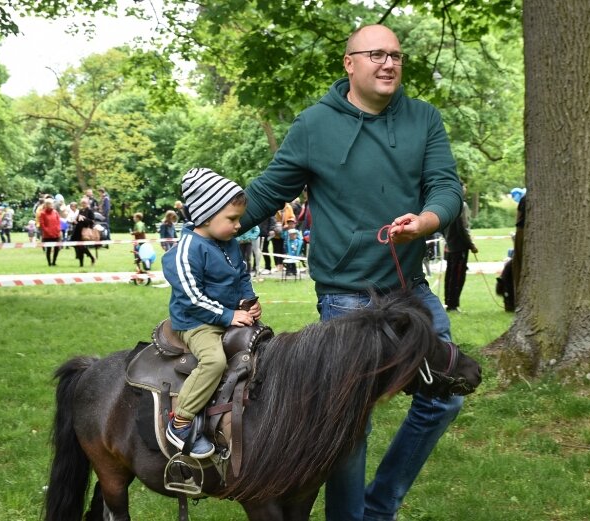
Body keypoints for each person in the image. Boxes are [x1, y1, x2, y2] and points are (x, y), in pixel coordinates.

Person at [239, 24, 464, 521]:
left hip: (410, 292)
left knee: (445, 396)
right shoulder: (315, 124)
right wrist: (212, 223)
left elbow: (446, 187)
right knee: (349, 422)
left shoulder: (423, 118)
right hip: (346, 297)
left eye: (397, 56)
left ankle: (378, 506)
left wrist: (425, 221)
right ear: (350, 63)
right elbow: (268, 192)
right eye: (376, 54)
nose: (389, 64)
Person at [162, 167, 261, 458]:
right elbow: (192, 298)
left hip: (230, 313)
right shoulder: (186, 251)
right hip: (197, 322)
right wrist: (228, 316)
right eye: (232, 218)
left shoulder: (228, 242)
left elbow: (241, 274)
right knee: (215, 361)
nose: (237, 225)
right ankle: (180, 422)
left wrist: (248, 300)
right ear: (206, 214)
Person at [443, 183, 478, 312]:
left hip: (450, 245)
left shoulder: (447, 204)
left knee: (450, 275)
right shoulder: (461, 205)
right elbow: (463, 228)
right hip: (459, 246)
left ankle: (449, 302)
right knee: (457, 276)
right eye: (463, 187)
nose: (465, 189)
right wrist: (471, 245)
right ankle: (453, 304)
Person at [70, 198, 96, 267]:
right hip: (77, 231)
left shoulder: (90, 211)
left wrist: (84, 218)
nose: (83, 204)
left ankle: (88, 259)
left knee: (81, 247)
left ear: (87, 203)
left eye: (85, 203)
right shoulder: (80, 211)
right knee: (78, 247)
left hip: (84, 231)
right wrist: (74, 221)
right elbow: (78, 220)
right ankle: (90, 258)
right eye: (82, 203)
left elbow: (92, 221)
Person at [39, 198, 62, 266]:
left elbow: (58, 222)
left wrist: (58, 230)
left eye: (52, 204)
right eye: (49, 204)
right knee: (48, 249)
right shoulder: (42, 213)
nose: (51, 205)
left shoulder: (55, 212)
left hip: (56, 234)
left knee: (56, 249)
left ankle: (54, 262)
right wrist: (48, 232)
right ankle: (49, 263)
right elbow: (42, 224)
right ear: (46, 205)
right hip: (47, 235)